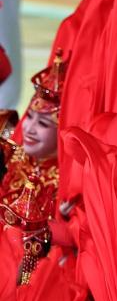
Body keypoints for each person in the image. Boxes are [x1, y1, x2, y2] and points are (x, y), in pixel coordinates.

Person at [0, 53, 63, 284]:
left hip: (27, 279)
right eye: (30, 117)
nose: (30, 128)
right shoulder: (10, 152)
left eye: (43, 123)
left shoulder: (67, 184)